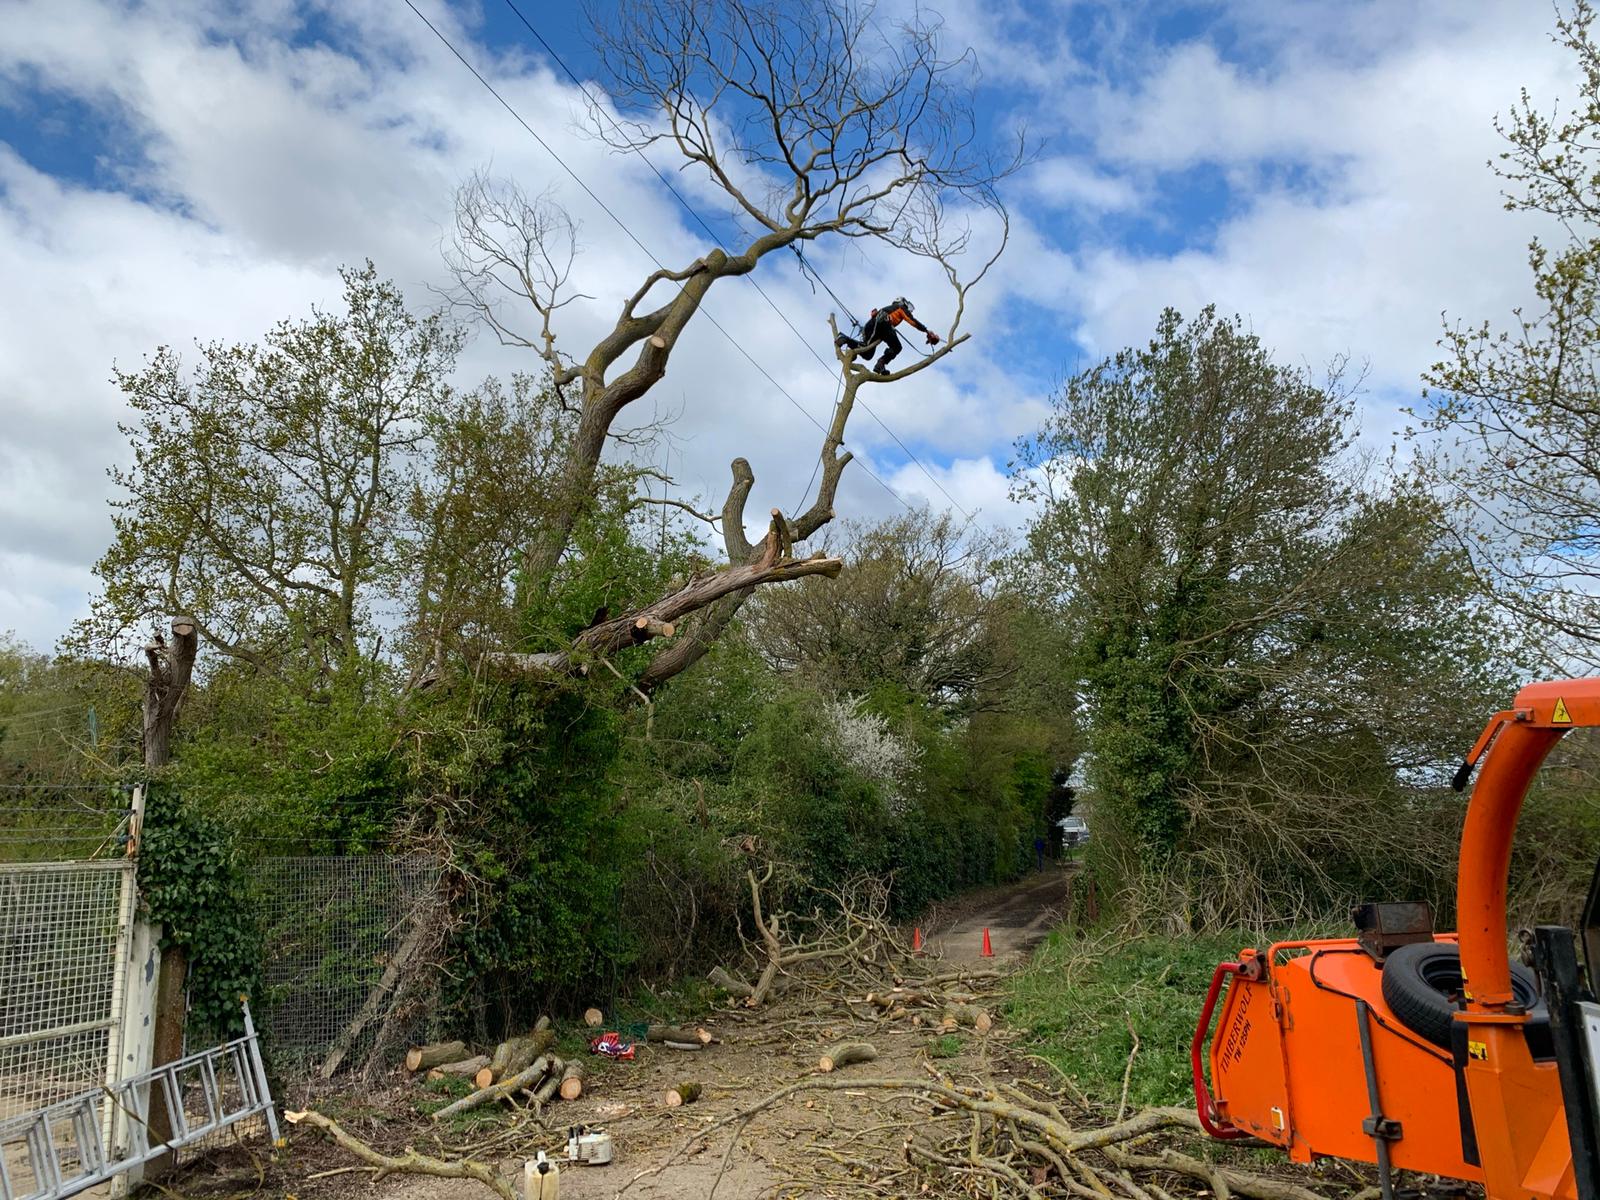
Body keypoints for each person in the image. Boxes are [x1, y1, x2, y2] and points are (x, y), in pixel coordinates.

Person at [834, 297, 940, 373]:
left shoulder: (892, 310)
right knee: (897, 347)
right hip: (882, 323)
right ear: (902, 303)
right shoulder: (899, 308)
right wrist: (926, 331)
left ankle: (880, 364)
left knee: (867, 354)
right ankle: (880, 362)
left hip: (876, 328)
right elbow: (912, 320)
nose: (908, 310)